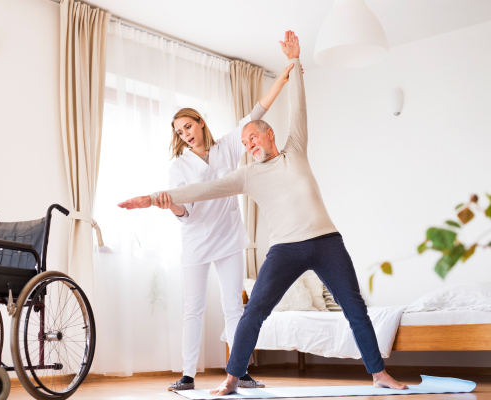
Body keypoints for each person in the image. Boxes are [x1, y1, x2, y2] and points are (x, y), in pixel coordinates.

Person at [118, 30, 409, 395]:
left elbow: (299, 105)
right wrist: (154, 197)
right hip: (285, 249)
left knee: (354, 307)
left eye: (253, 137)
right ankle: (232, 377)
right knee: (253, 311)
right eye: (244, 142)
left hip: (326, 242)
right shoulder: (247, 175)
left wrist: (295, 63)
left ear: (270, 135)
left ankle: (379, 373)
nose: (248, 144)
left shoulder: (295, 149)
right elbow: (201, 190)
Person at [153, 56, 294, 391]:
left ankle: (239, 371)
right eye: (178, 131)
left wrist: (284, 79)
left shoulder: (228, 146)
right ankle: (188, 375)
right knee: (194, 309)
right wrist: (172, 206)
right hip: (197, 243)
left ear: (200, 123)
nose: (184, 134)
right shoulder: (179, 167)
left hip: (229, 238)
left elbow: (256, 113)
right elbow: (184, 214)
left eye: (187, 126)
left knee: (234, 307)